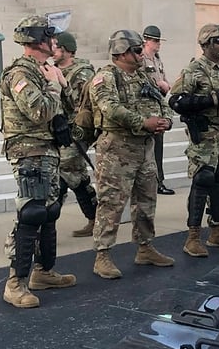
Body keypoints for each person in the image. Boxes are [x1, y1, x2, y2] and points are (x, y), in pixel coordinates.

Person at [0, 16, 78, 308]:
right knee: (31, 213)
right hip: (29, 151)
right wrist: (54, 86)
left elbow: (65, 109)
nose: (56, 42)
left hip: (48, 150)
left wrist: (60, 82)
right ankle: (15, 283)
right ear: (39, 40)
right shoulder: (21, 74)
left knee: (49, 211)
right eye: (51, 36)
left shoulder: (44, 70)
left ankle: (43, 271)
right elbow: (40, 111)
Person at [89, 29, 174, 279]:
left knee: (147, 200)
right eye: (137, 50)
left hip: (144, 149)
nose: (141, 55)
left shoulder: (142, 77)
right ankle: (102, 255)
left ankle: (145, 247)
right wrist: (142, 122)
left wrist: (165, 122)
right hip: (117, 149)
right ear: (122, 52)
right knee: (111, 203)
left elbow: (162, 102)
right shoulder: (106, 77)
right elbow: (110, 108)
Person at [170, 23, 219, 256]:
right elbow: (176, 100)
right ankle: (193, 237)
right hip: (205, 133)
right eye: (218, 40)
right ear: (205, 44)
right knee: (203, 178)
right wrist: (206, 101)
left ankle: (217, 231)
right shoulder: (194, 70)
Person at [52, 31, 99, 237]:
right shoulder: (51, 69)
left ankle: (47, 222)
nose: (52, 50)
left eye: (56, 47)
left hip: (76, 132)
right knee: (77, 177)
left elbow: (86, 104)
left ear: (66, 50)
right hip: (58, 132)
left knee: (63, 174)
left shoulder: (82, 72)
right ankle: (96, 217)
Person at [141, 25, 175, 195]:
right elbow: (141, 81)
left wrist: (165, 85)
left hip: (158, 106)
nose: (158, 44)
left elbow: (164, 79)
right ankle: (151, 183)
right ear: (146, 41)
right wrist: (158, 85)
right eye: (155, 41)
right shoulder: (141, 58)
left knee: (158, 149)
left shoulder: (157, 59)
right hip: (147, 109)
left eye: (158, 41)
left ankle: (159, 181)